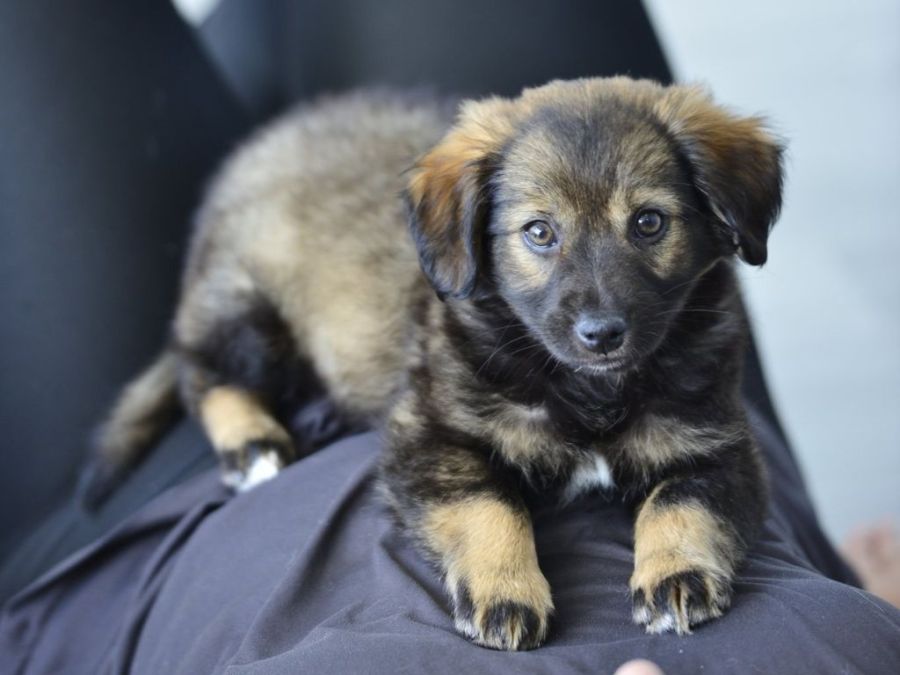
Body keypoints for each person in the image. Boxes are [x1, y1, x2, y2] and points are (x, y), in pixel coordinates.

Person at [1, 2, 898, 673]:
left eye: (645, 226)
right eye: (546, 237)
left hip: (171, 513)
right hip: (629, 368)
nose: (599, 305)